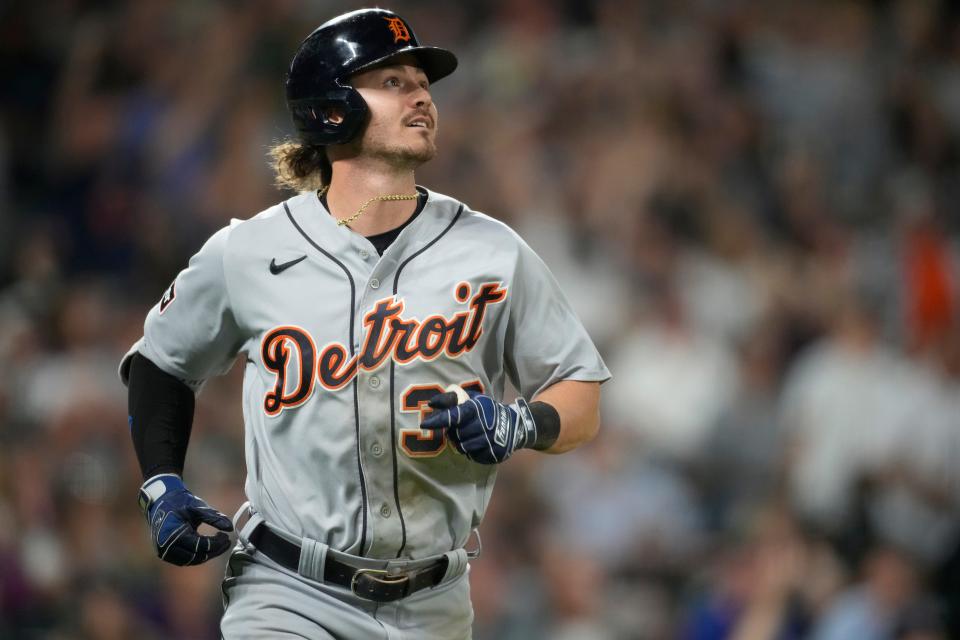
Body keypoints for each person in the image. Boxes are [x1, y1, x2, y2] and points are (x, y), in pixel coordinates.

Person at [120, 8, 610, 639]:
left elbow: (581, 393)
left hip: (436, 601)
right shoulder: (247, 253)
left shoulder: (494, 251)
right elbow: (162, 361)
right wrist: (161, 480)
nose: (422, 96)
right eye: (393, 82)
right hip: (287, 590)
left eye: (423, 83)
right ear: (330, 108)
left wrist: (522, 423)